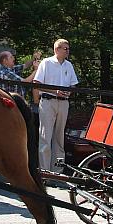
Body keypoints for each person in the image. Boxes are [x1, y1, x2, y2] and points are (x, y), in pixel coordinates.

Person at [33, 39, 78, 172]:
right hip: (48, 102)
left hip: (64, 103)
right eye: (65, 48)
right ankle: (45, 171)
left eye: (68, 48)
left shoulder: (69, 65)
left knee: (60, 139)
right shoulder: (46, 62)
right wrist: (55, 91)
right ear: (56, 50)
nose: (68, 51)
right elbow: (37, 83)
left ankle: (57, 171)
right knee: (45, 137)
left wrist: (69, 91)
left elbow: (73, 84)